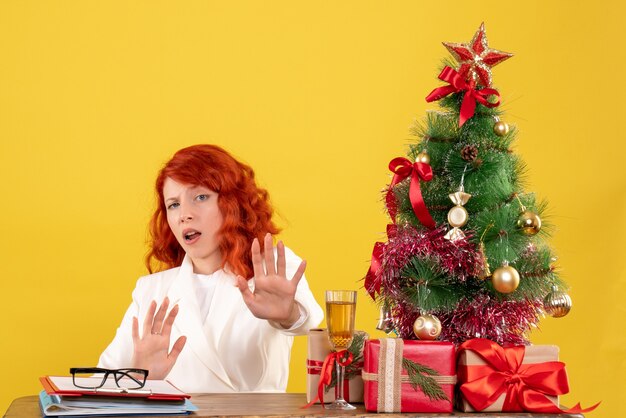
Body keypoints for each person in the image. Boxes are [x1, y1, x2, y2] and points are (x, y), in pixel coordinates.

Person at [97, 144, 323, 393]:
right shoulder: (151, 289)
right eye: (173, 204)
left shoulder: (269, 267)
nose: (184, 214)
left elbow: (308, 320)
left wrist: (286, 314)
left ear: (232, 203)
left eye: (200, 197)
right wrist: (141, 378)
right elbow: (102, 383)